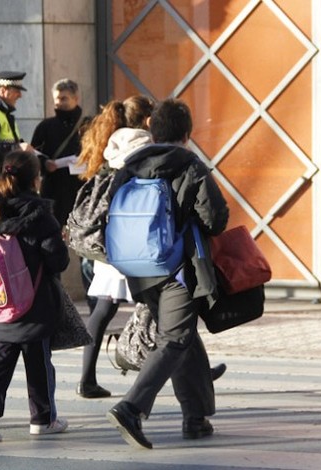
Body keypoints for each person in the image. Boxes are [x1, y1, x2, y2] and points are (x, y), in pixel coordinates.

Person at [105, 98, 229, 449]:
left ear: (152, 129)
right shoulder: (189, 164)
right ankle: (132, 407)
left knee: (184, 335)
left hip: (138, 269)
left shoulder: (129, 166)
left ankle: (196, 416)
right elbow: (215, 219)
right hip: (176, 267)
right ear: (187, 133)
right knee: (174, 339)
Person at [0, 150, 70, 443]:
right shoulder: (40, 215)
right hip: (33, 304)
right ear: (35, 179)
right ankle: (43, 419)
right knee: (39, 361)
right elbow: (57, 262)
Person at [74, 95, 153, 399]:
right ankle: (189, 370)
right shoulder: (143, 147)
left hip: (110, 243)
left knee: (104, 310)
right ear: (147, 120)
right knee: (167, 310)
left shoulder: (113, 147)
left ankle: (86, 379)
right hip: (137, 242)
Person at [30, 78, 87, 227]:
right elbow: (33, 153)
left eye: (64, 98)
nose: (59, 102)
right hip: (54, 190)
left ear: (76, 99)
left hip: (81, 188)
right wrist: (44, 163)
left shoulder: (89, 125)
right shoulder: (45, 126)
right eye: (57, 98)